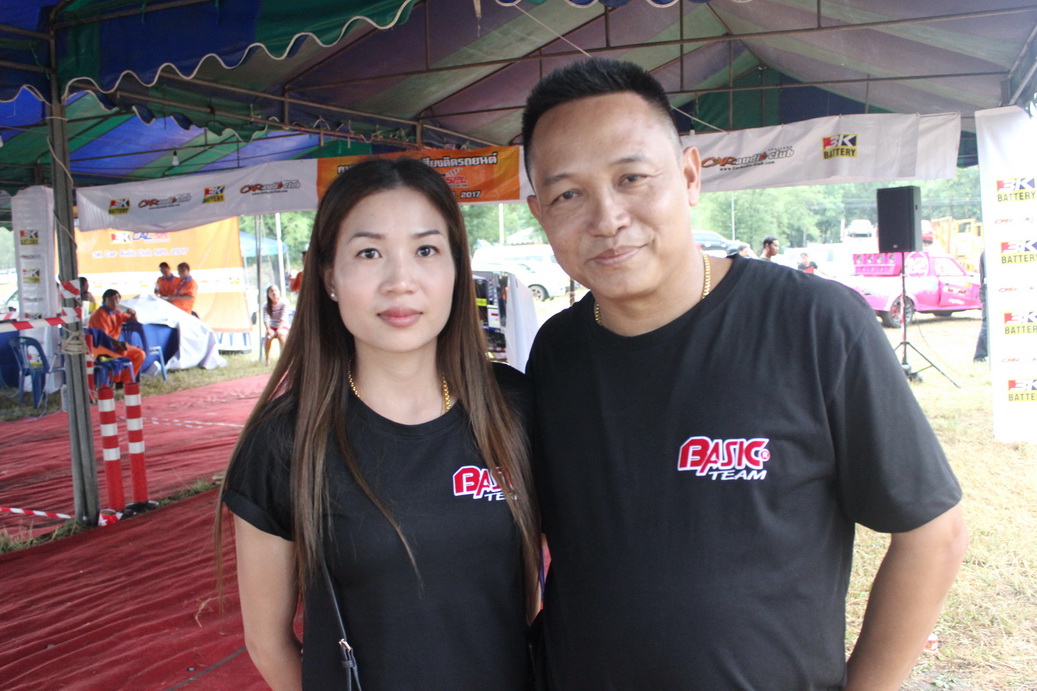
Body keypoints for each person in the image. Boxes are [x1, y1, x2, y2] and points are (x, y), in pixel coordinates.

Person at [521, 58, 967, 689]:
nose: (607, 218)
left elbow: (932, 535)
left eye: (632, 178)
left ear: (689, 176)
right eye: (568, 194)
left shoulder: (815, 323)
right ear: (540, 212)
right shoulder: (556, 350)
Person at [218, 157, 540, 690]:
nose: (400, 282)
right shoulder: (286, 439)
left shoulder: (513, 406)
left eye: (425, 250)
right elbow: (268, 643)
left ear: (456, 269)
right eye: (369, 253)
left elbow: (530, 596)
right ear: (329, 277)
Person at [87, 289, 145, 378]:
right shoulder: (99, 314)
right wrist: (118, 343)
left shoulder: (116, 312)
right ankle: (116, 380)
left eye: (117, 299)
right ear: (104, 301)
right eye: (111, 299)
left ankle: (126, 381)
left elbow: (132, 321)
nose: (115, 302)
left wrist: (133, 314)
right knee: (122, 353)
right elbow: (104, 337)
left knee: (140, 354)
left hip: (114, 346)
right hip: (99, 349)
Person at [262, 284, 289, 365]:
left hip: (283, 326)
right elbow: (266, 318)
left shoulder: (284, 302)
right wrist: (268, 329)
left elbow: (283, 317)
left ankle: (284, 358)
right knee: (268, 336)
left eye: (275, 290)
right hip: (272, 326)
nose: (274, 293)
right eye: (271, 291)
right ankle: (267, 358)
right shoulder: (266, 305)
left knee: (281, 335)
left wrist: (279, 329)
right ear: (268, 294)